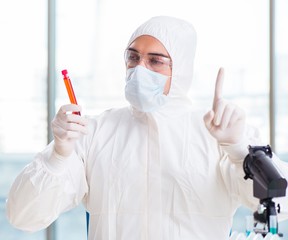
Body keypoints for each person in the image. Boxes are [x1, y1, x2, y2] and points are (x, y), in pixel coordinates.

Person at [6, 16, 288, 240]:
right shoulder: (95, 132)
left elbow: (282, 207)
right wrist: (59, 155)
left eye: (155, 60)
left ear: (181, 70)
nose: (139, 68)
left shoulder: (217, 131)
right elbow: (23, 216)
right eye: (133, 57)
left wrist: (239, 151)